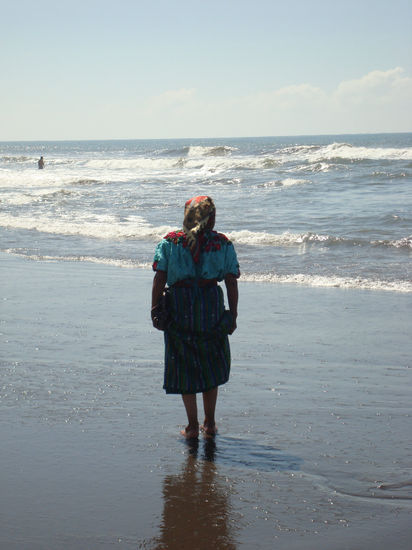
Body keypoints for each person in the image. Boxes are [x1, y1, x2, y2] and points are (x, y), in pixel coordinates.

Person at [151, 196, 240, 439]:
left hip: (179, 307)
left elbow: (159, 277)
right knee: (210, 363)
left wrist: (155, 309)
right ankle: (209, 423)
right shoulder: (222, 244)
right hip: (210, 306)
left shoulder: (170, 242)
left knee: (183, 365)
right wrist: (232, 315)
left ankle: (192, 426)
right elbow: (231, 281)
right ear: (210, 219)